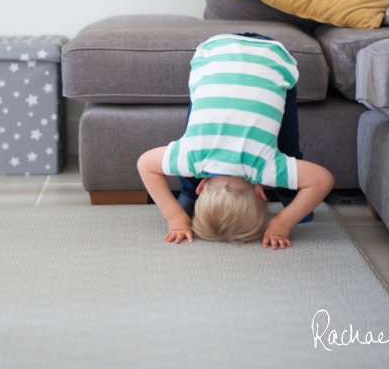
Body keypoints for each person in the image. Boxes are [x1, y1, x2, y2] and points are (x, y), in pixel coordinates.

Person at [137, 33, 334, 249]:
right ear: (201, 186)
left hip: (272, 57)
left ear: (261, 192)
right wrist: (173, 215)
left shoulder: (264, 167)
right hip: (214, 53)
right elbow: (145, 164)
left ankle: (288, 192)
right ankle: (187, 196)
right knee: (196, 129)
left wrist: (283, 223)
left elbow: (322, 180)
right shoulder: (191, 158)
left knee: (288, 149)